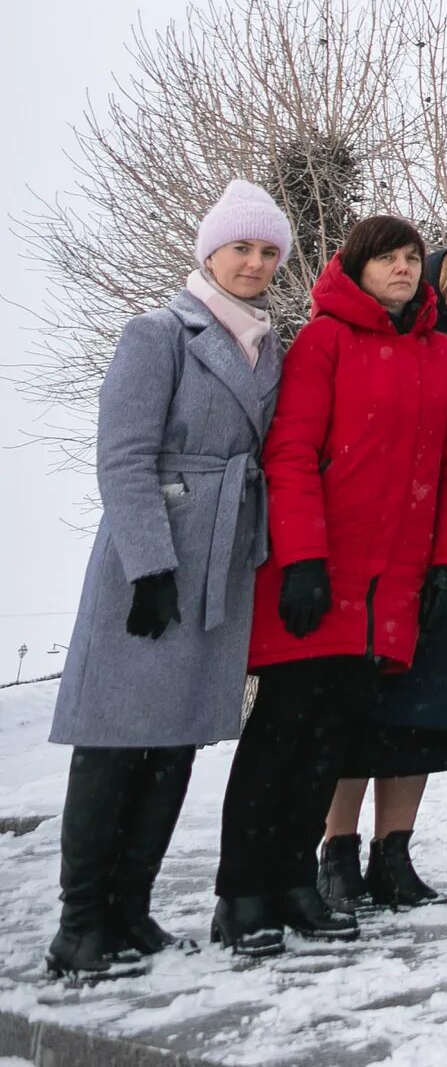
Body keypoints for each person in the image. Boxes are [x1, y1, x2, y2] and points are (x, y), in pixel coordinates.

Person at [214, 214, 447, 958]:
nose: (402, 268)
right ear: (355, 266)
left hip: (392, 588)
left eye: (411, 258)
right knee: (281, 734)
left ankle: (297, 883)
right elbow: (292, 452)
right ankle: (241, 893)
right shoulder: (324, 341)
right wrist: (301, 560)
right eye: (387, 257)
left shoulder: (441, 356)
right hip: (320, 577)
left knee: (333, 740)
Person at [46, 182, 291, 981]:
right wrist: (150, 566)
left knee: (177, 739)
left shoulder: (271, 344)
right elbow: (123, 456)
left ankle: (131, 910)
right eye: (241, 249)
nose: (254, 264)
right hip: (152, 561)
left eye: (267, 252)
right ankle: (80, 924)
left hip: (225, 563)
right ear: (208, 253)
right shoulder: (158, 334)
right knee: (116, 741)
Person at [319, 246, 447, 916]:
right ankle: (336, 853)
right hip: (389, 557)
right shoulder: (407, 351)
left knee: (427, 711)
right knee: (362, 711)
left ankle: (393, 853)